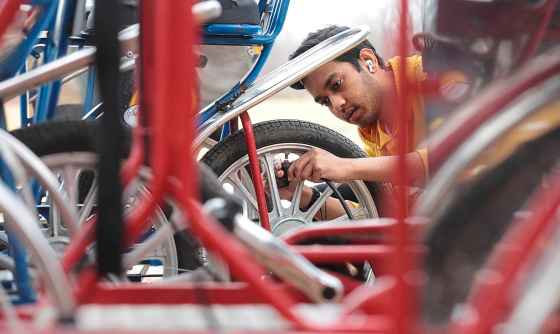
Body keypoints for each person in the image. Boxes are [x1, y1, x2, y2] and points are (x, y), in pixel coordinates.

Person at [276, 25, 430, 218]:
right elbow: (381, 215)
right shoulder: (371, 126)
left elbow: (452, 160)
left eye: (337, 84)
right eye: (325, 102)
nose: (337, 105)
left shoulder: (427, 75)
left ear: (368, 61)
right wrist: (300, 196)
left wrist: (347, 166)